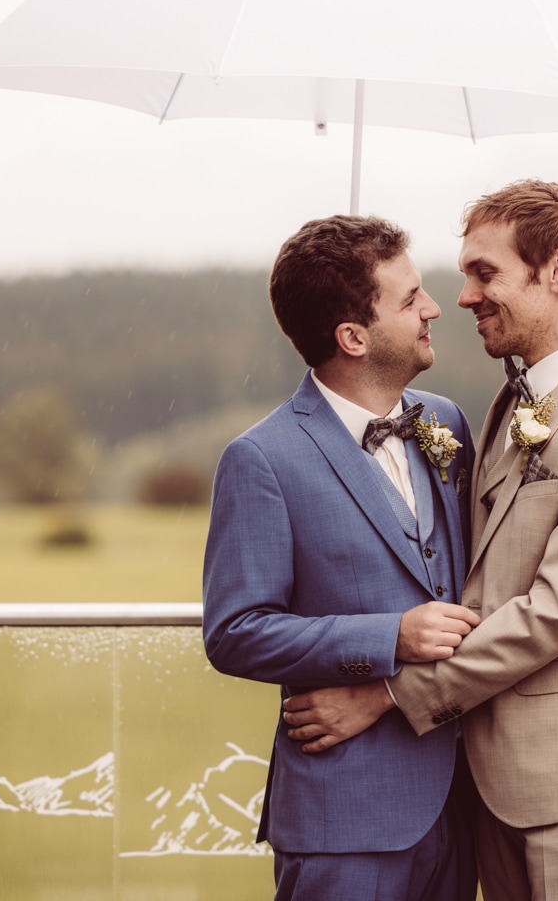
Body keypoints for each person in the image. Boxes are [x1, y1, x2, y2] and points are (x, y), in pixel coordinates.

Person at [281, 181, 558, 901]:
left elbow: (555, 612)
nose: (461, 296)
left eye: (484, 272)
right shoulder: (512, 400)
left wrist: (386, 694)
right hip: (493, 784)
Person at [202, 214, 481, 901]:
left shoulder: (444, 424)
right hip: (343, 822)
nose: (433, 308)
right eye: (410, 298)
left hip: (463, 809)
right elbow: (235, 633)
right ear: (352, 337)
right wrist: (391, 636)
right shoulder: (261, 460)